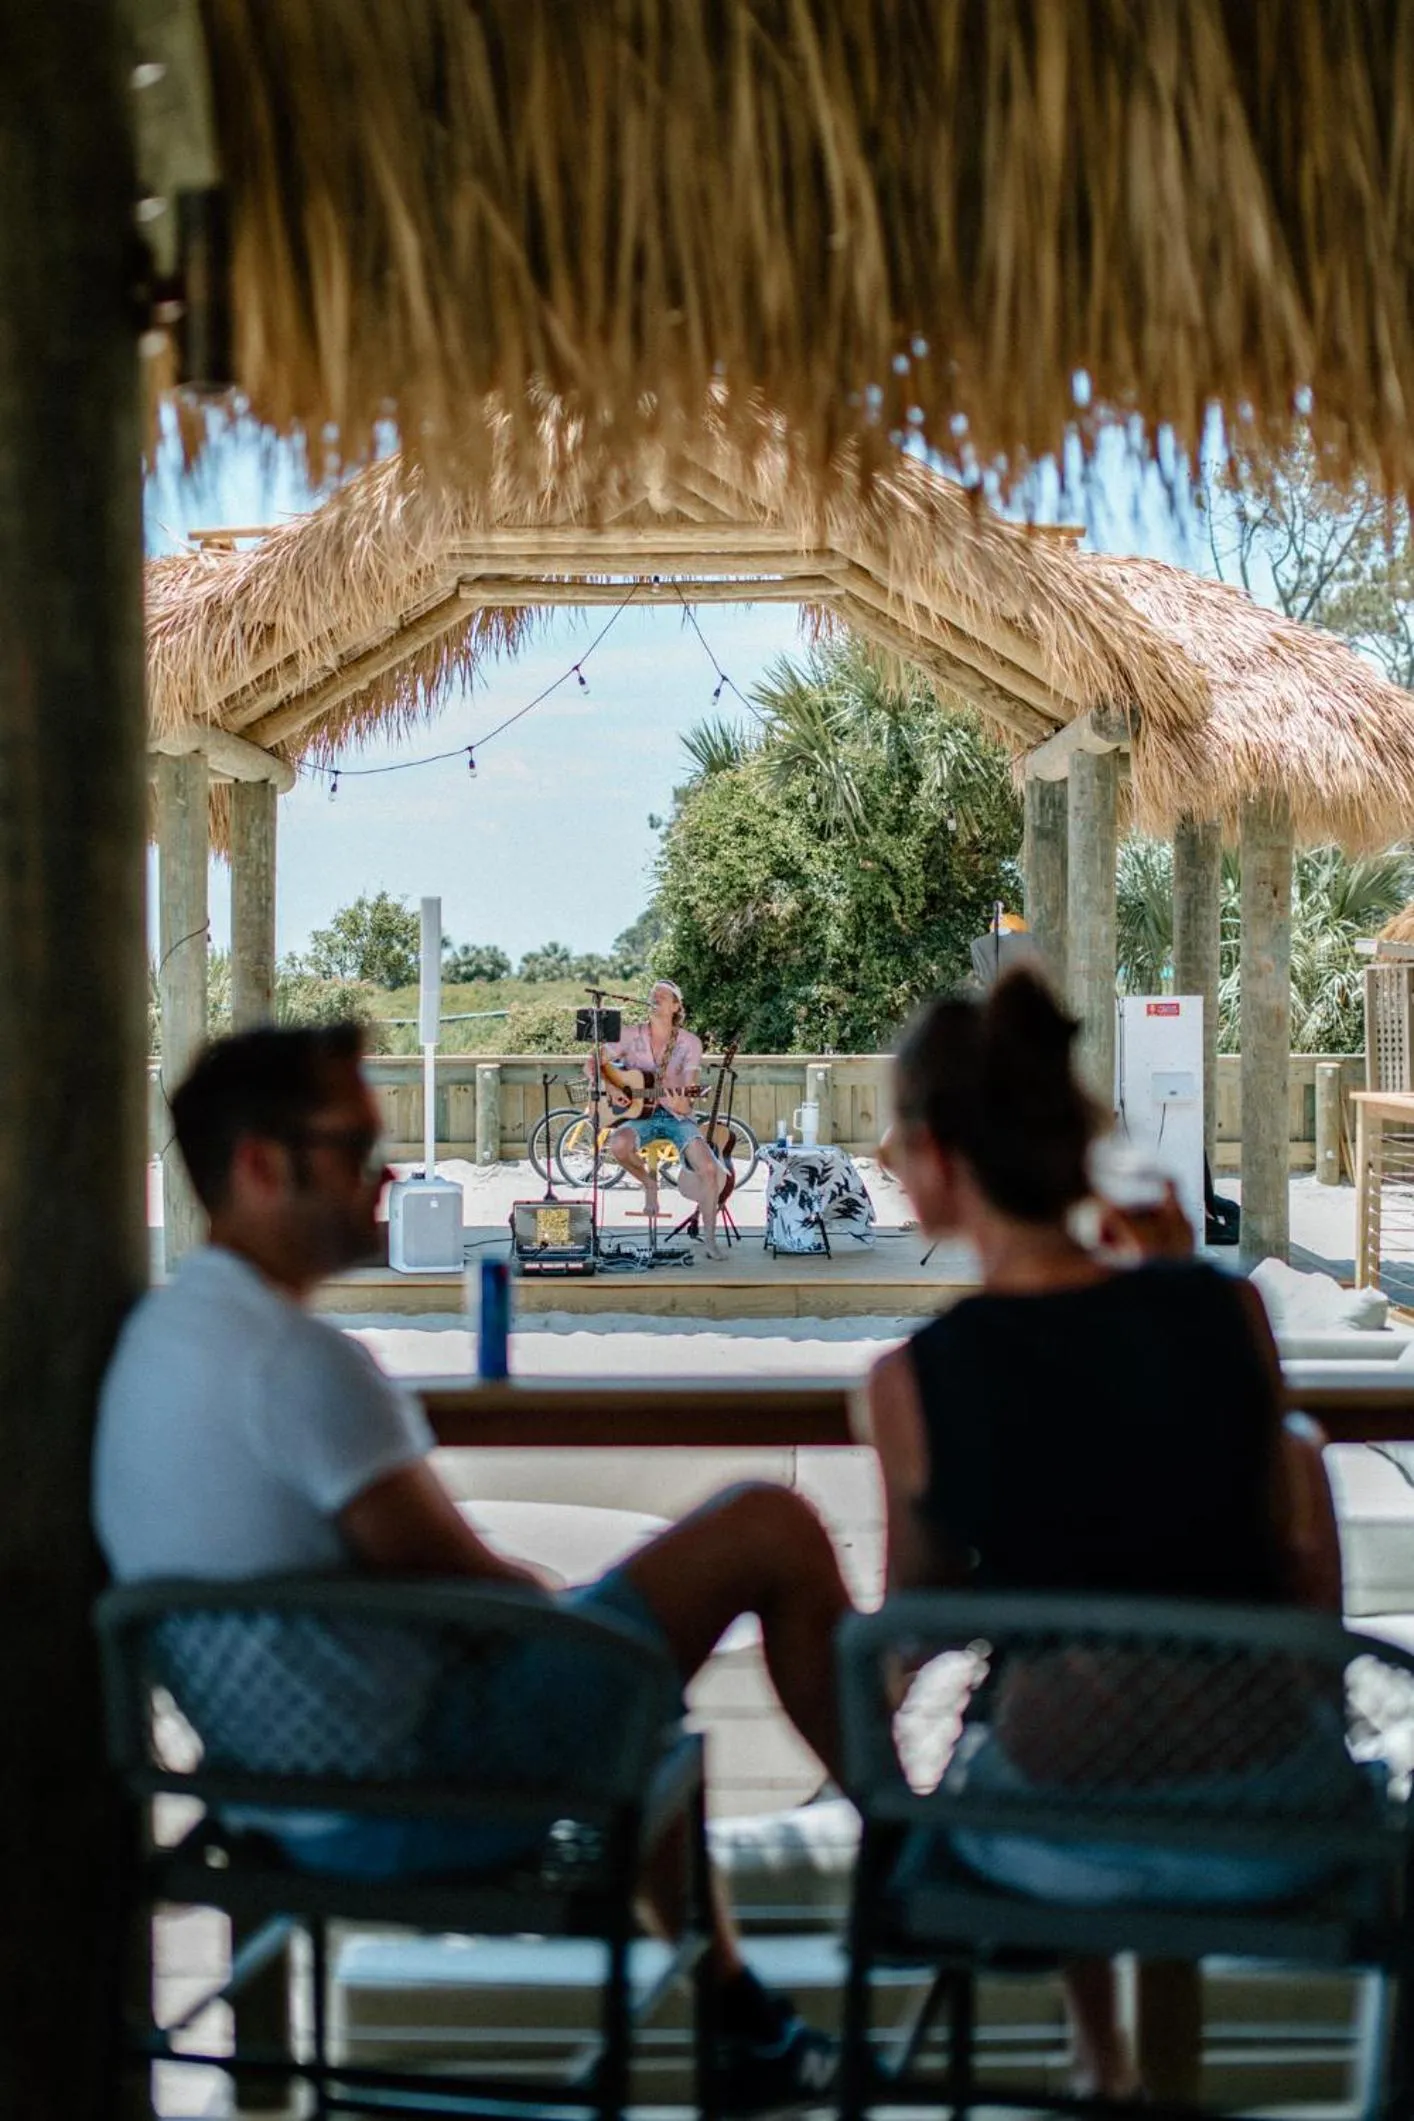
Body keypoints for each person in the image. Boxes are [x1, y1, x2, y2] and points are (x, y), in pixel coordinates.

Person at [94, 1022, 849, 2109]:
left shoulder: (155, 1347)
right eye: (357, 1149)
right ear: (262, 1166)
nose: (387, 1174)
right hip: (417, 1794)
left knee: (626, 1683)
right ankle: (901, 1846)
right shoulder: (303, 1367)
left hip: (260, 1786)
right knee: (763, 1530)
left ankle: (745, 2018)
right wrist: (562, 1606)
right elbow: (476, 1589)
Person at [863, 972, 1347, 2103]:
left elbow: (913, 1627)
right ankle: (1142, 2076)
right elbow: (1277, 1526)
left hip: (1055, 1834)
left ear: (936, 1156)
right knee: (1150, 1683)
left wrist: (877, 1767)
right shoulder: (1218, 1311)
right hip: (1273, 1798)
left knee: (1052, 1717)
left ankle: (1100, 2066)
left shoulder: (912, 1387)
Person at [592, 979, 726, 1255]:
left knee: (710, 1169)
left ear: (676, 1006)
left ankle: (710, 1239)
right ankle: (649, 1182)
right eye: (654, 994)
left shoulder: (689, 1042)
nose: (656, 998)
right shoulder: (630, 1035)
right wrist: (614, 1086)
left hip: (677, 1117)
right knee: (618, 1144)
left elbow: (689, 1090)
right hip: (641, 1115)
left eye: (664, 996)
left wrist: (683, 1101)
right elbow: (593, 1061)